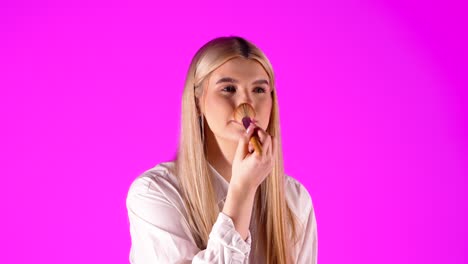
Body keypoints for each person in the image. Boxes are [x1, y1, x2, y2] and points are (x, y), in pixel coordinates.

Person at [126, 36, 318, 263]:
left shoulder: (294, 199)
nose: (246, 103)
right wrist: (242, 189)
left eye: (258, 90)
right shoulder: (155, 192)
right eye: (228, 88)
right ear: (198, 102)